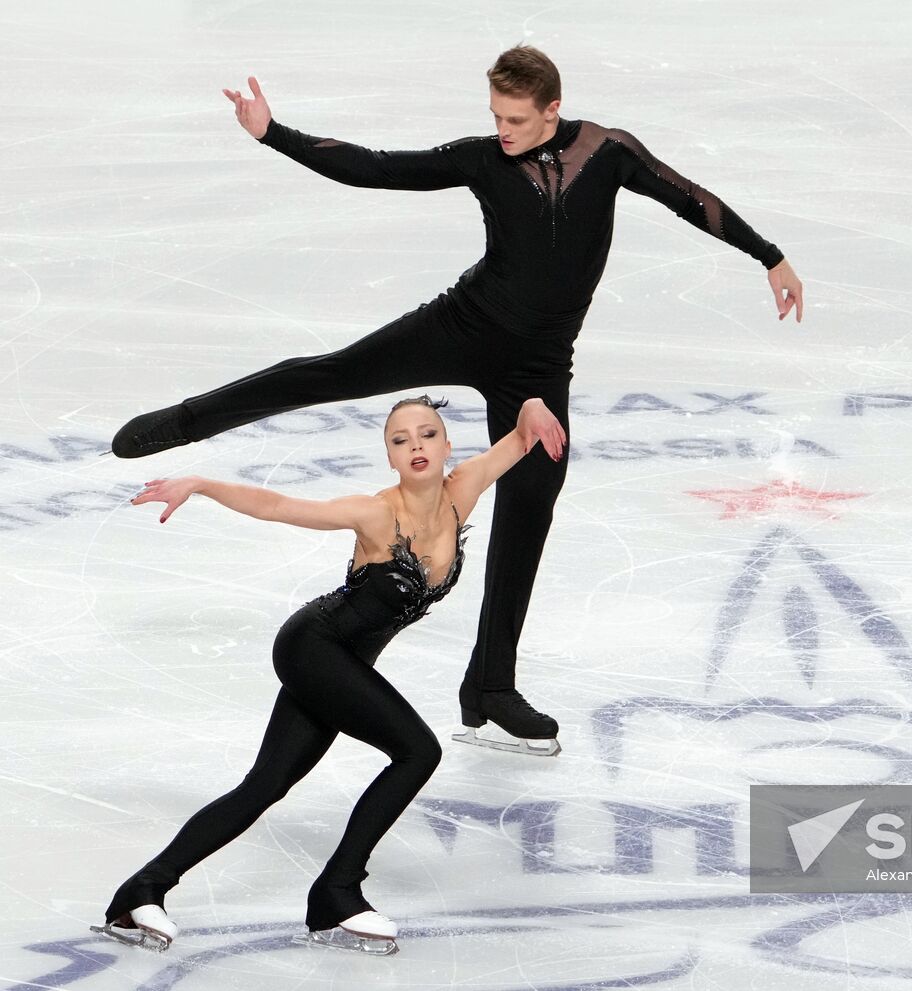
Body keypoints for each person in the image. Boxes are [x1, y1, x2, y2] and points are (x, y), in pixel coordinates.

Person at [109, 46, 804, 754]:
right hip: (463, 326)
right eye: (495, 116)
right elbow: (380, 168)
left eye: (516, 118)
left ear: (553, 109)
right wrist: (272, 132)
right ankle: (188, 422)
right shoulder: (482, 159)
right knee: (333, 372)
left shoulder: (609, 152)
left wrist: (769, 254)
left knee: (532, 499)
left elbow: (692, 198)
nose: (503, 130)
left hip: (536, 368)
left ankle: (490, 688)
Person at [92, 396, 568, 955]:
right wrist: (200, 483)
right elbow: (277, 506)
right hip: (313, 647)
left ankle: (141, 890)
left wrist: (534, 403)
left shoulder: (463, 490)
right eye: (400, 440)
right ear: (390, 457)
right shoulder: (376, 513)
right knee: (418, 751)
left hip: (341, 663)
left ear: (446, 445)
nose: (415, 445)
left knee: (265, 785)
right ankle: (337, 892)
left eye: (427, 434)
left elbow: (518, 439)